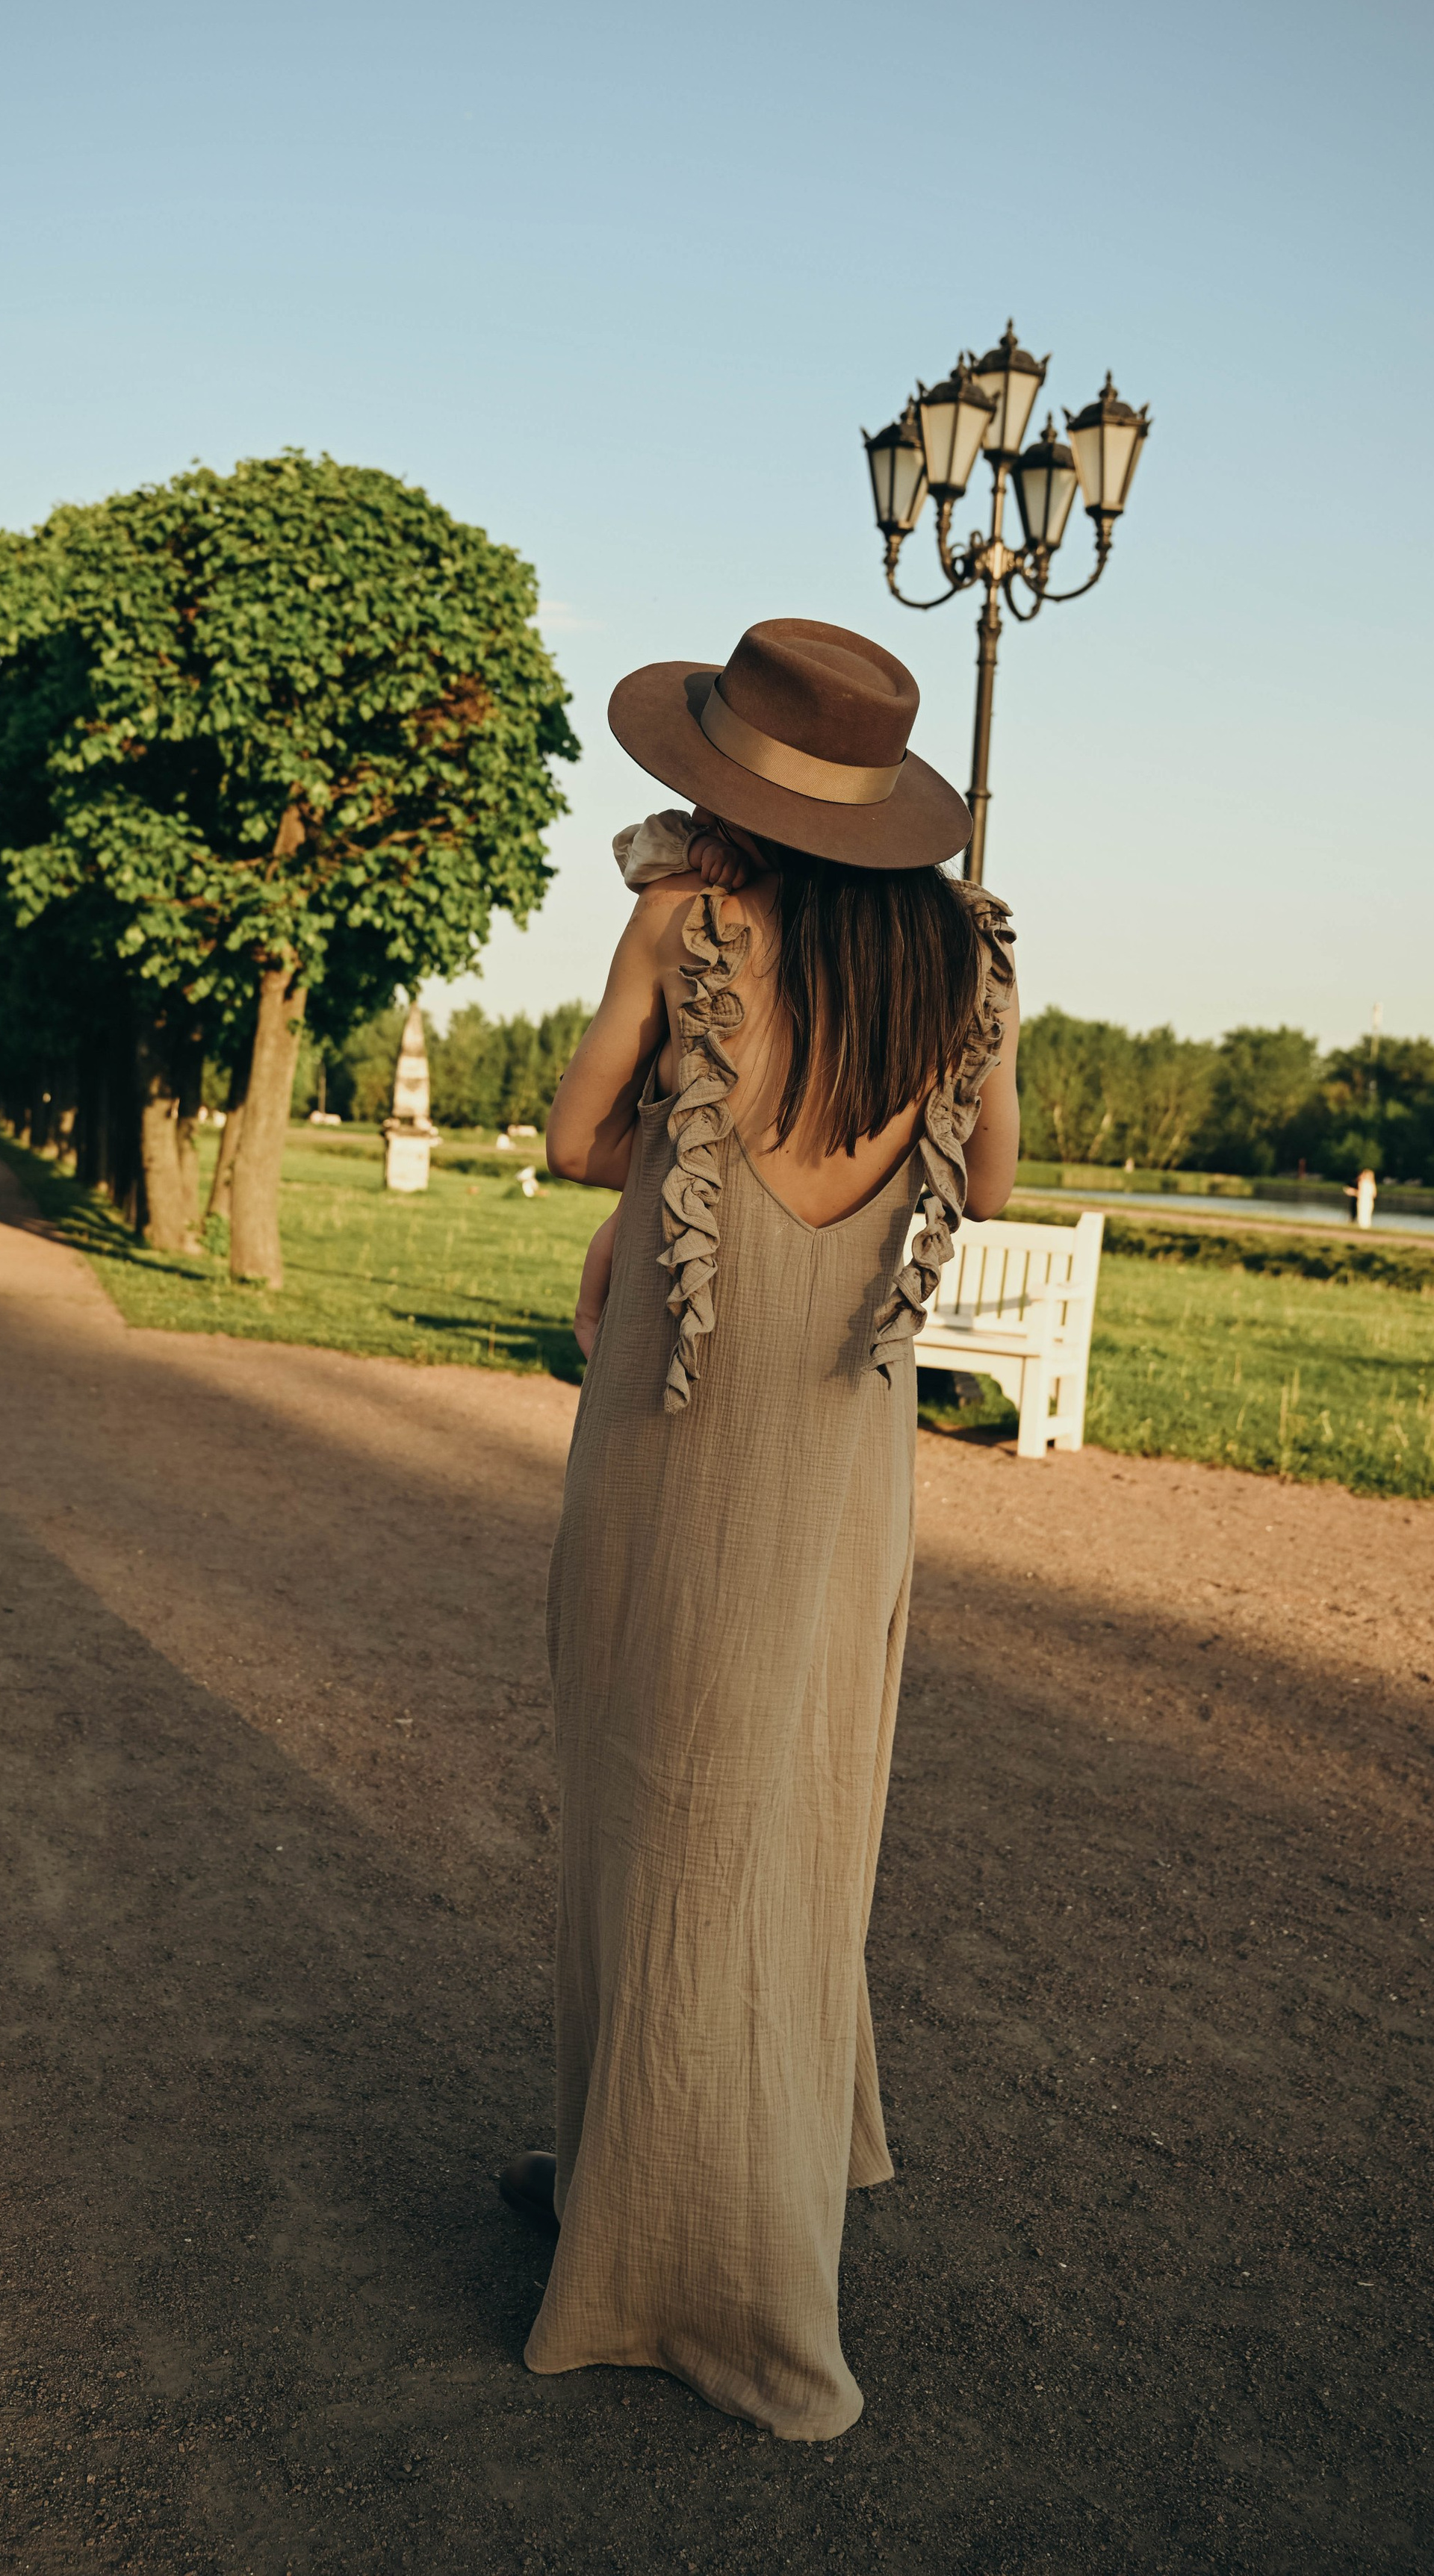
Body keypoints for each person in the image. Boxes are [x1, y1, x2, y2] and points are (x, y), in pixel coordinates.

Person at [502, 617, 1019, 2442]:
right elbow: (995, 1181)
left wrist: (670, 1147)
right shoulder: (967, 959)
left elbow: (576, 1138)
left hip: (681, 1402)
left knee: (651, 1774)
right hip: (840, 1429)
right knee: (797, 1779)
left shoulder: (688, 929)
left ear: (734, 785)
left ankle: (660, 2236)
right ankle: (669, 2159)